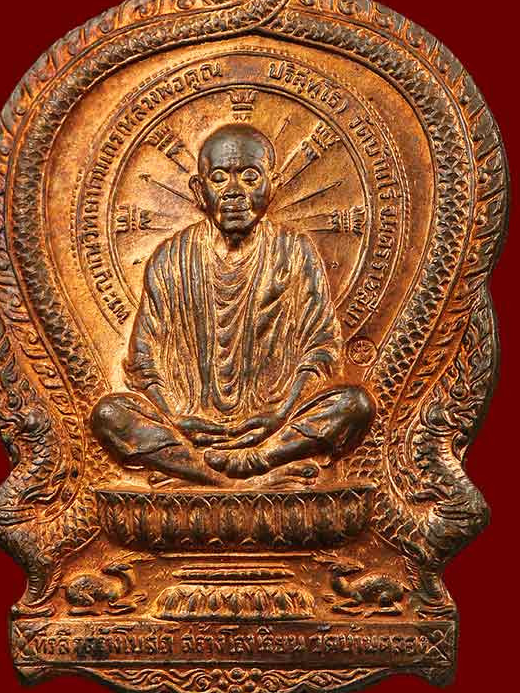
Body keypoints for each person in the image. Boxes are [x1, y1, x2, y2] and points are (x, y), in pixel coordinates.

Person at [91, 123, 374, 486]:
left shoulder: (295, 251)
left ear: (273, 184)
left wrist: (281, 413)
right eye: (220, 178)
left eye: (250, 177)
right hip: (188, 426)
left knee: (355, 405)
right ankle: (219, 477)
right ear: (199, 190)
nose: (234, 192)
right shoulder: (171, 258)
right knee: (110, 414)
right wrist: (175, 416)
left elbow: (319, 350)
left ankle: (258, 459)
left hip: (276, 423)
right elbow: (144, 363)